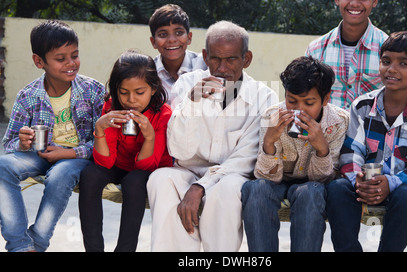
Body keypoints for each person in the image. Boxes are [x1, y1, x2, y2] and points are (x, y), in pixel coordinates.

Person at [147, 20, 278, 252]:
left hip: (231, 174)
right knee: (160, 179)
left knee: (227, 189)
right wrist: (193, 103)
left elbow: (246, 158)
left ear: (246, 59)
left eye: (231, 59)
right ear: (205, 56)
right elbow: (177, 150)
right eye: (216, 58)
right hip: (187, 170)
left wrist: (201, 187)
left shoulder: (263, 97)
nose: (222, 68)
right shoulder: (188, 84)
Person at [326, 31, 407, 252]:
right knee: (337, 188)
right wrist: (357, 180)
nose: (392, 69)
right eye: (386, 61)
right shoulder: (361, 106)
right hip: (361, 188)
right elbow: (351, 151)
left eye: (403, 63)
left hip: (399, 191)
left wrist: (391, 183)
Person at [0, 20, 105, 252]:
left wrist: (67, 153)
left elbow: (102, 141)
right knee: (2, 166)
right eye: (61, 59)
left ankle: (36, 243)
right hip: (40, 154)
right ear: (39, 61)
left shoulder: (93, 91)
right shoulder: (27, 96)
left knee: (59, 174)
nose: (71, 63)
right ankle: (19, 244)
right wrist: (23, 142)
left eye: (75, 56)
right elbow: (9, 144)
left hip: (77, 158)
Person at [241, 56, 349, 252]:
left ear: (325, 99)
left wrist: (321, 148)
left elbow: (324, 179)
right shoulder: (272, 117)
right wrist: (269, 142)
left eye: (309, 103)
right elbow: (266, 178)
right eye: (292, 101)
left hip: (312, 185)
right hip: (277, 181)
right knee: (255, 189)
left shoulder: (337, 122)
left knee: (311, 192)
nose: (299, 109)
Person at [78, 50, 173, 252]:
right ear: (115, 89)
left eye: (140, 92)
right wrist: (100, 129)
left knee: (134, 181)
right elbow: (105, 162)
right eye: (123, 92)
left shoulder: (163, 114)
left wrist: (149, 136)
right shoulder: (111, 107)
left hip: (145, 170)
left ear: (154, 88)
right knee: (90, 174)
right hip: (117, 164)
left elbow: (146, 165)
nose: (131, 100)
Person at [305, 0, 388, 110]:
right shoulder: (316, 50)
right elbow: (306, 100)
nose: (355, 3)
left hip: (369, 134)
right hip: (324, 134)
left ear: (375, 0)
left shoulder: (388, 50)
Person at [149, 4, 207, 105]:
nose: (172, 40)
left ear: (189, 37)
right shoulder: (148, 72)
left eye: (179, 33)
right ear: (153, 42)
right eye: (163, 34)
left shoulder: (206, 65)